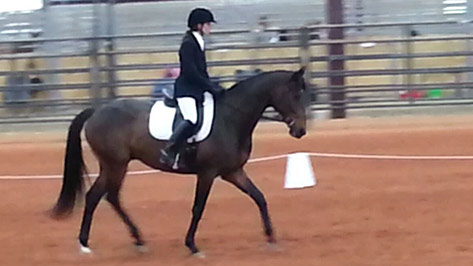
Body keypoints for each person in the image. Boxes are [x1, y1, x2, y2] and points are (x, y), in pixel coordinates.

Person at [159, 7, 223, 167]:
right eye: (208, 24)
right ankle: (169, 151)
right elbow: (191, 73)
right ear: (199, 25)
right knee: (192, 119)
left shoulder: (198, 42)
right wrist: (209, 87)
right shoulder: (188, 44)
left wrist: (213, 87)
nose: (210, 27)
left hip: (197, 89)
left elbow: (202, 71)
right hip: (186, 89)